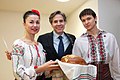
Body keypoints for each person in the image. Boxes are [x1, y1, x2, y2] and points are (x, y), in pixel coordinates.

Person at [9, 9, 59, 80]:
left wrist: (50, 67)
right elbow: (18, 73)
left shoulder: (40, 45)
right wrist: (41, 68)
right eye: (31, 22)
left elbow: (42, 71)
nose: (35, 25)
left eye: (37, 22)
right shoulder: (18, 44)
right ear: (24, 24)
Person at [72, 8, 120, 80]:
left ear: (95, 18)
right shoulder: (79, 41)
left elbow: (116, 61)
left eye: (89, 18)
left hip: (106, 75)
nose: (86, 22)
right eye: (83, 20)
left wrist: (117, 78)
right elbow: (77, 65)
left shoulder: (110, 37)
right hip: (87, 75)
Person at [37, 10, 76, 79]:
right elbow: (37, 56)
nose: (59, 24)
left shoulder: (72, 38)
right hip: (49, 77)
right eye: (55, 21)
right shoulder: (42, 39)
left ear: (65, 22)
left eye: (61, 21)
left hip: (68, 76)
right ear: (51, 24)